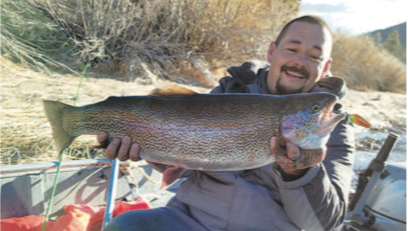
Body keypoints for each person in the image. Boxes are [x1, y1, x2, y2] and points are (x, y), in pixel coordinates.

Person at [100, 15, 355, 231]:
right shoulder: (230, 90)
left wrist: (300, 173)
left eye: (314, 56)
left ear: (326, 67)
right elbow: (185, 162)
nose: (300, 61)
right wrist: (144, 147)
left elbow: (326, 224)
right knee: (124, 225)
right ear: (271, 51)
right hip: (189, 219)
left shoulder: (333, 126)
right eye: (292, 49)